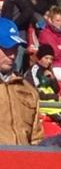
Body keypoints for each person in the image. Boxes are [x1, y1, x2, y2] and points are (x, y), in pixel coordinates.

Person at [0, 17, 43, 145]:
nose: (12, 55)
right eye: (6, 48)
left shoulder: (28, 90)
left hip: (24, 156)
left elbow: (36, 138)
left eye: (15, 48)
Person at [24, 43, 61, 130]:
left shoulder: (49, 70)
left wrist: (52, 79)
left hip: (52, 101)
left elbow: (56, 89)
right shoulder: (34, 70)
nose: (49, 61)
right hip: (41, 103)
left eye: (51, 59)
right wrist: (56, 98)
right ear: (40, 58)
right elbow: (35, 93)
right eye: (46, 58)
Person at [1, 0, 34, 74]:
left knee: (13, 71)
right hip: (8, 38)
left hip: (16, 38)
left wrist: (12, 27)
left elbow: (28, 12)